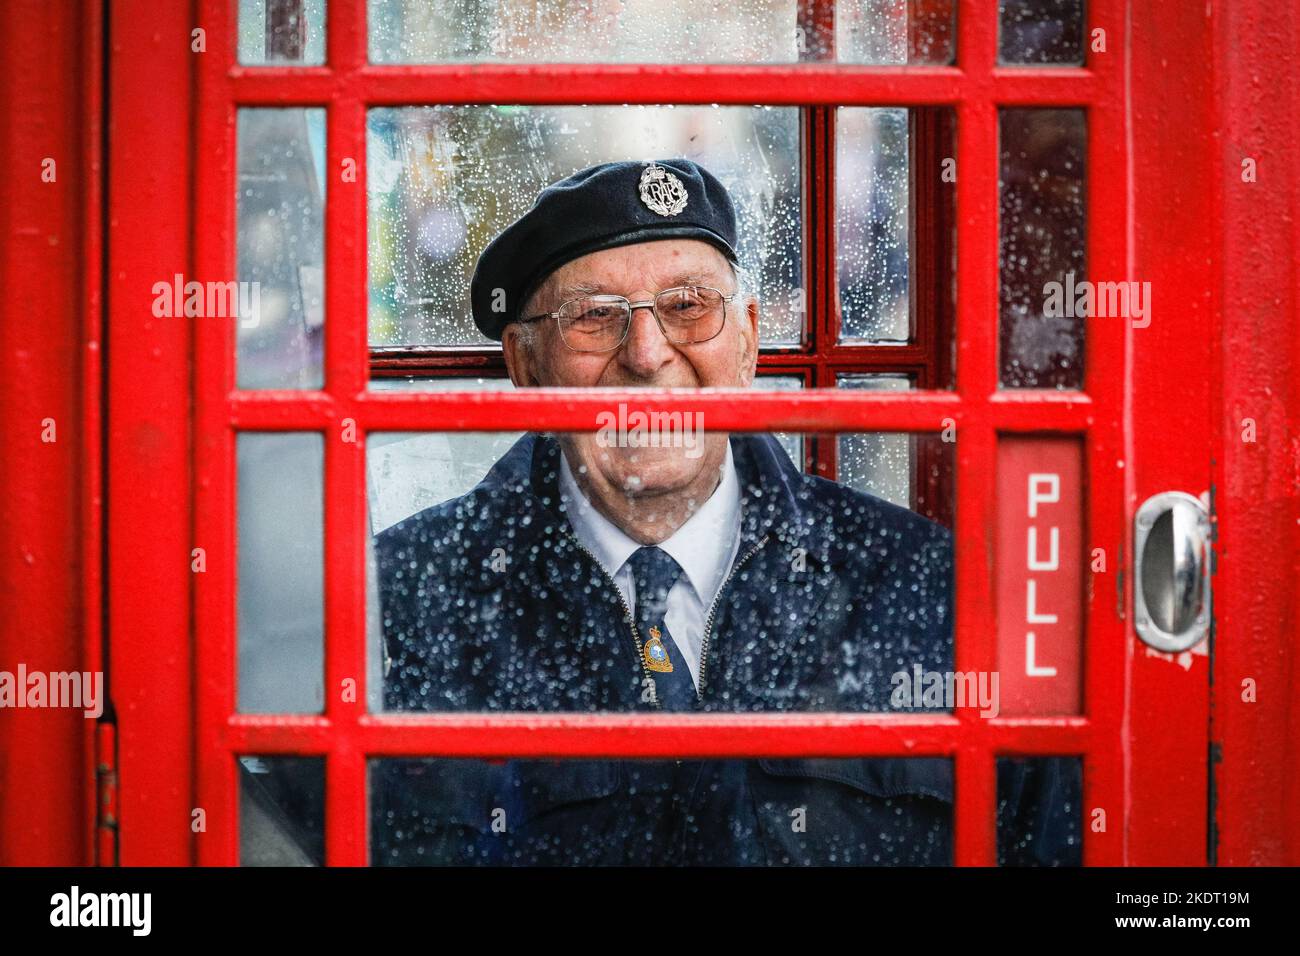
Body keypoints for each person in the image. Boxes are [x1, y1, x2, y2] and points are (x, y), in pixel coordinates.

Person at [371, 159, 1080, 866]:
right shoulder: (400, 599)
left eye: (687, 306)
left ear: (747, 340)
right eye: (593, 318)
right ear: (527, 366)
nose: (648, 357)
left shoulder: (926, 586)